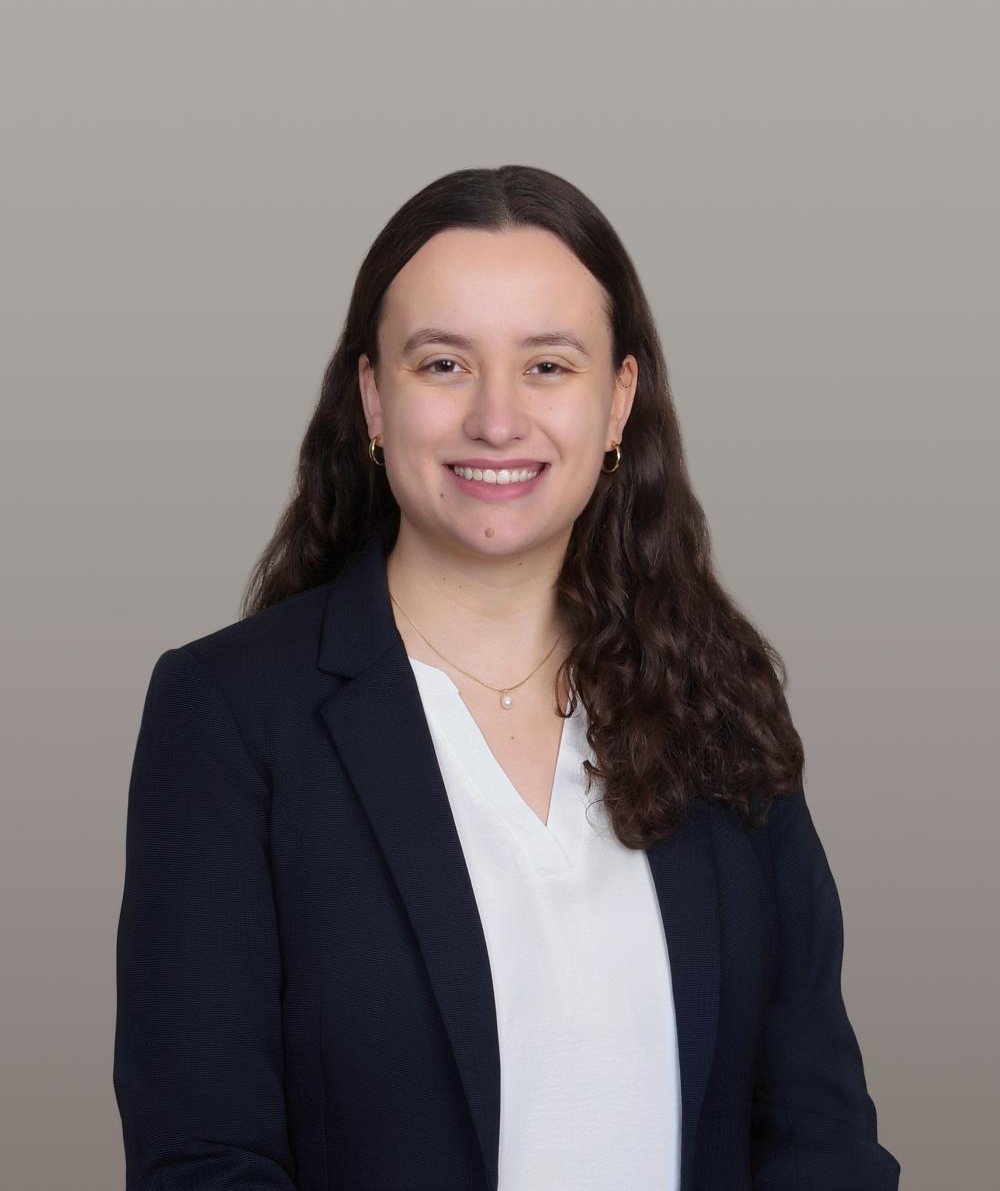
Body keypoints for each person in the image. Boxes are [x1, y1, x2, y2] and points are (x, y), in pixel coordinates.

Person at [113, 165, 901, 1191]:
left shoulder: (719, 701)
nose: (496, 418)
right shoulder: (231, 716)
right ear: (372, 397)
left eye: (547, 366)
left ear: (618, 400)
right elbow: (202, 1156)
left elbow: (819, 1131)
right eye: (443, 363)